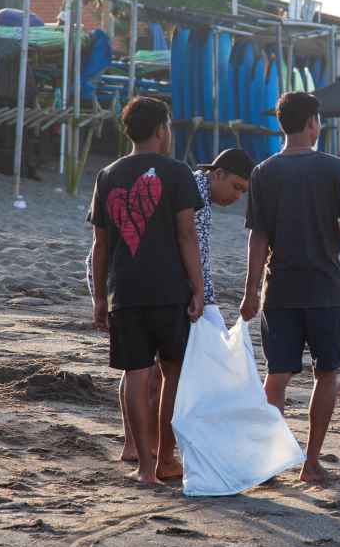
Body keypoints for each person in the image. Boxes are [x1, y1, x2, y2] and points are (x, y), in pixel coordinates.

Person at [240, 91, 340, 484]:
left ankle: (269, 461)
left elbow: (258, 238)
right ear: (313, 123)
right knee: (326, 373)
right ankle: (310, 462)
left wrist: (251, 290)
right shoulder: (333, 169)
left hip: (279, 289)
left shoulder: (264, 171)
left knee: (278, 375)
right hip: (323, 289)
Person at [86, 147, 254, 463]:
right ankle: (154, 451)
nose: (237, 197)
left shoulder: (186, 181)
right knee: (156, 372)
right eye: (236, 187)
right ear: (218, 174)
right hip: (145, 283)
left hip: (123, 278)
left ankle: (141, 446)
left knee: (140, 369)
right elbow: (192, 245)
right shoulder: (187, 187)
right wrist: (203, 296)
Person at [89, 96, 204, 485]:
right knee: (173, 376)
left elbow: (100, 245)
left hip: (126, 290)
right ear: (161, 130)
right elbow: (187, 235)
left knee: (136, 375)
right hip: (170, 289)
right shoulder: (177, 173)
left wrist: (99, 297)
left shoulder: (107, 175)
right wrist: (199, 289)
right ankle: (165, 460)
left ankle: (142, 468)